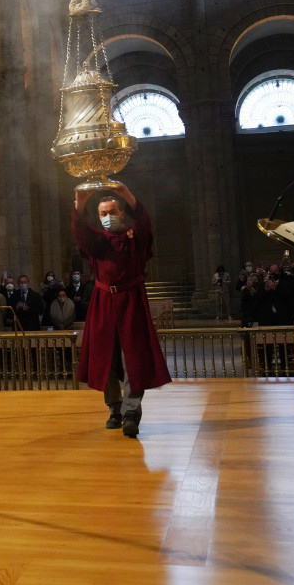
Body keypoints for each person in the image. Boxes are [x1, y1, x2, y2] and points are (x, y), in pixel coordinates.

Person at [72, 183, 171, 438]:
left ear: (122, 213)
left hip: (132, 301)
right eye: (103, 213)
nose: (107, 217)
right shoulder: (96, 240)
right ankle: (114, 409)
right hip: (103, 301)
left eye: (112, 211)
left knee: (133, 360)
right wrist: (80, 204)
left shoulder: (134, 238)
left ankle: (131, 413)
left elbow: (145, 223)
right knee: (106, 360)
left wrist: (127, 194)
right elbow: (80, 231)